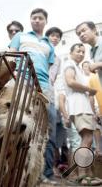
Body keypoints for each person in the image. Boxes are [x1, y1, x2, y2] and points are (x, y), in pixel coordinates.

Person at [9, 8, 57, 184]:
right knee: (17, 124)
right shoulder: (20, 36)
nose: (37, 20)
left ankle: (36, 174)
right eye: (34, 18)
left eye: (40, 18)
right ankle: (11, 170)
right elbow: (11, 56)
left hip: (43, 88)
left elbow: (49, 68)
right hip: (20, 81)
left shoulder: (49, 45)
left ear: (45, 21)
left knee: (39, 131)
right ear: (30, 20)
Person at [62, 43, 102, 185]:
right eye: (78, 51)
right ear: (71, 52)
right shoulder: (69, 63)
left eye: (83, 52)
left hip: (80, 107)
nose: (81, 53)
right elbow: (70, 81)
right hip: (79, 107)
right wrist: (89, 90)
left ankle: (82, 174)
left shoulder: (76, 66)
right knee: (87, 139)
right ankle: (83, 175)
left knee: (84, 141)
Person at [45, 26, 68, 176]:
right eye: (52, 35)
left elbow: (54, 80)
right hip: (36, 92)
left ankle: (48, 173)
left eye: (57, 37)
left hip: (50, 96)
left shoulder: (58, 60)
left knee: (51, 137)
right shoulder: (41, 50)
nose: (55, 38)